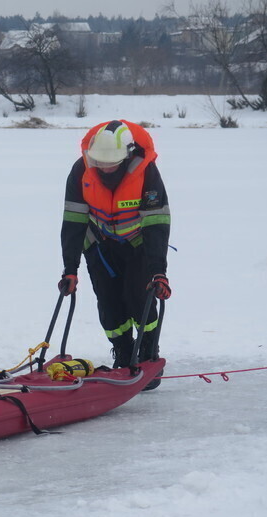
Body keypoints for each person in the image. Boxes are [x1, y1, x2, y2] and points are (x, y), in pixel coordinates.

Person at [58, 120, 171, 387]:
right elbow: (73, 221)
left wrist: (158, 271)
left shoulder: (146, 173)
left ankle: (147, 351)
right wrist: (70, 269)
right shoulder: (80, 171)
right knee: (109, 306)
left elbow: (157, 224)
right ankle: (122, 351)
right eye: (100, 162)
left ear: (127, 154)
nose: (105, 167)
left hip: (138, 245)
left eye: (111, 162)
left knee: (137, 298)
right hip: (99, 244)